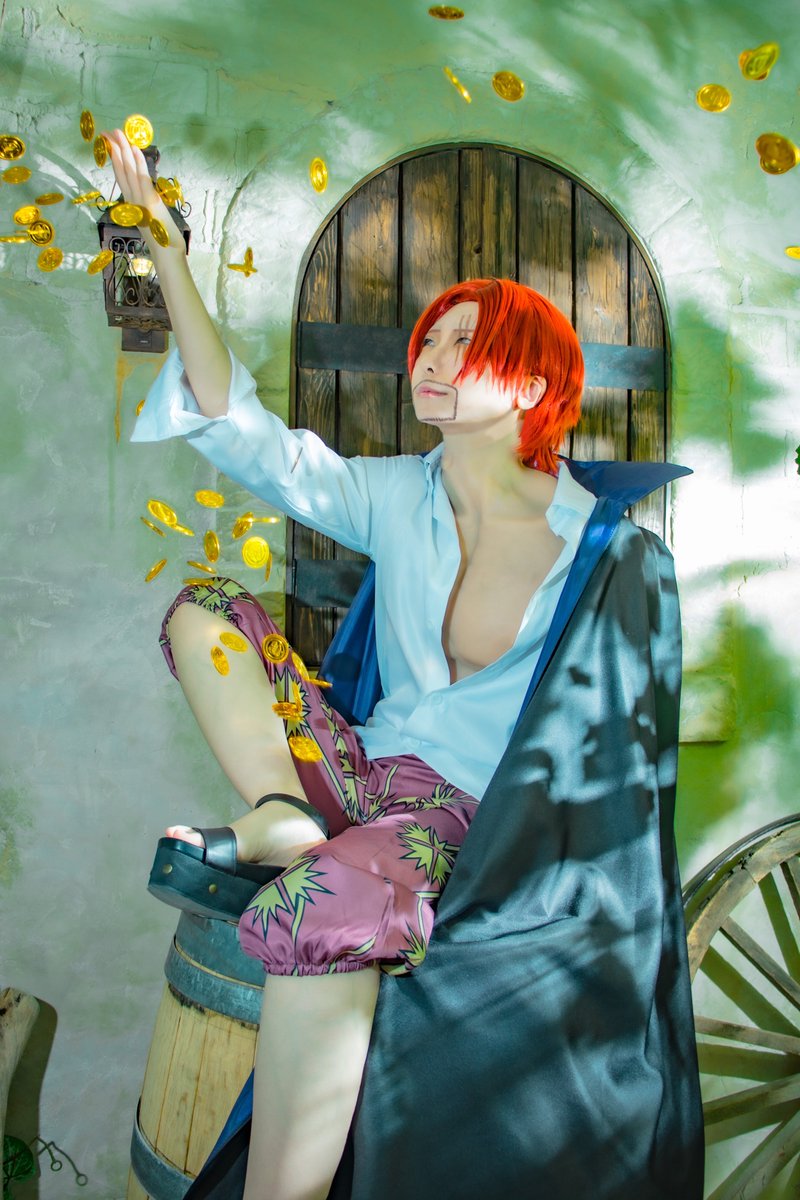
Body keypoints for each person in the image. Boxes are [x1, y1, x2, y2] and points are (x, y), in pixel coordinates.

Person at [109, 129, 704, 1200]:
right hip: (351, 770)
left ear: (532, 379)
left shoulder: (603, 554)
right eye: (429, 340)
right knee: (206, 610)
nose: (428, 359)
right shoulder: (395, 495)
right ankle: (280, 810)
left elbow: (614, 770)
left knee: (322, 912)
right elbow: (242, 430)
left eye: (463, 343)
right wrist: (170, 257)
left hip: (460, 815)